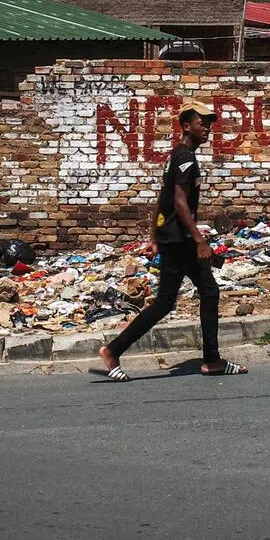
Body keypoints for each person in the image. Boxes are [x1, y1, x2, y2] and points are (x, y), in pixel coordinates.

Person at [98, 99, 248, 381]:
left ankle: (210, 359)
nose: (207, 128)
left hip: (173, 238)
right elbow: (179, 202)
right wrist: (200, 241)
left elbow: (162, 198)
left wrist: (154, 235)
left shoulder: (176, 156)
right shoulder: (185, 158)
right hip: (180, 241)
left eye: (209, 123)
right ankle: (115, 350)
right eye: (201, 122)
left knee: (189, 296)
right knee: (190, 295)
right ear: (185, 125)